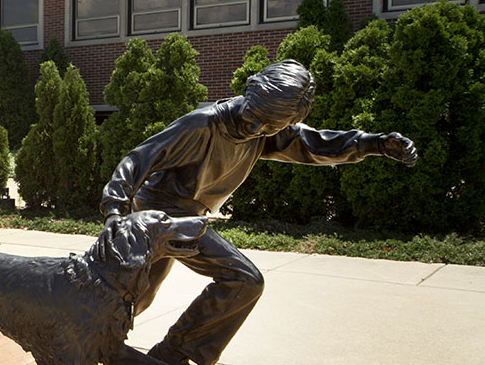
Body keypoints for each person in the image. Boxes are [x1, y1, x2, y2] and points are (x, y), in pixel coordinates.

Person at [100, 60, 418, 365]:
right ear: (250, 90)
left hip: (187, 213)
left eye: (270, 126)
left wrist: (374, 144)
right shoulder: (203, 123)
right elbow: (139, 159)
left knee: (138, 293)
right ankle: (167, 355)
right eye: (253, 116)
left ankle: (89, 335)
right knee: (243, 279)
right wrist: (115, 210)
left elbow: (314, 144)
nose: (255, 127)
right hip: (162, 211)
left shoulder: (264, 131)